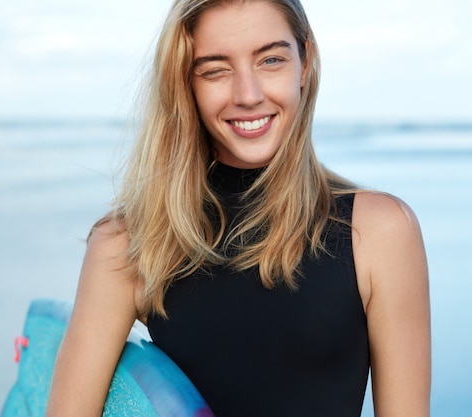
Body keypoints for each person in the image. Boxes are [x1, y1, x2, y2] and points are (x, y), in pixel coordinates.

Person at [46, 0, 431, 415]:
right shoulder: (129, 244)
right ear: (184, 83)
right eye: (215, 70)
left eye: (271, 60)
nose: (248, 95)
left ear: (306, 62)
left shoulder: (379, 232)